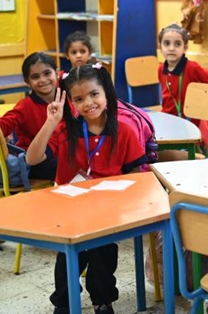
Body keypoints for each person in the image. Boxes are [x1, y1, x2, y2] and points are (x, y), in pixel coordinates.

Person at [26, 63, 150, 314]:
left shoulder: (124, 129)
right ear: (71, 102)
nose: (88, 103)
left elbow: (137, 173)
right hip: (71, 207)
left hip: (108, 209)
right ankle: (63, 302)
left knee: (103, 252)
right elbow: (32, 158)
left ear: (106, 93)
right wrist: (51, 122)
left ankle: (102, 300)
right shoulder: (65, 130)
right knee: (69, 255)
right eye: (79, 99)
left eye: (94, 94)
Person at [0, 53, 60, 180]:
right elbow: (4, 125)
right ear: (27, 82)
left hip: (59, 153)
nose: (42, 80)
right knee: (65, 166)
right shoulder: (25, 106)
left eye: (47, 73)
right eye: (35, 77)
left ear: (57, 73)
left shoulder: (69, 98)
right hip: (33, 161)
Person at [157, 23, 208, 160]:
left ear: (185, 48)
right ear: (160, 47)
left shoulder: (192, 68)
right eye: (166, 43)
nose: (171, 48)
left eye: (177, 44)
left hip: (189, 122)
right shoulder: (160, 69)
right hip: (168, 120)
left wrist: (199, 102)